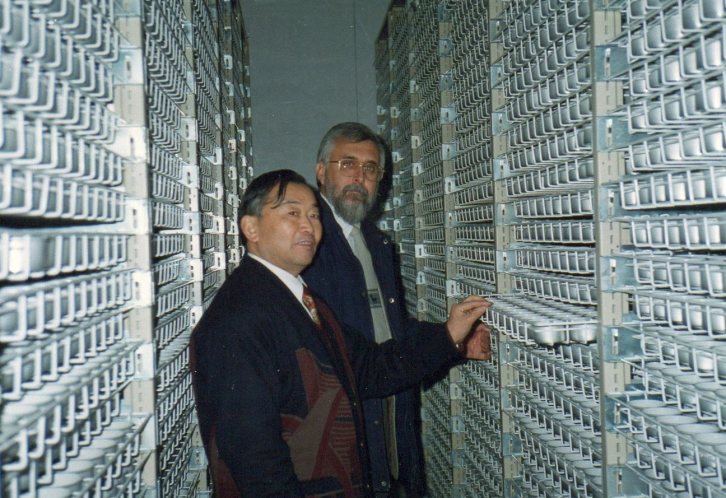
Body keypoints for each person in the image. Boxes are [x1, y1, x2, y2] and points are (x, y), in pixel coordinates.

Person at [189, 169, 490, 497]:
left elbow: (370, 368)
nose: (309, 226)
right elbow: (254, 461)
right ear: (251, 228)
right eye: (292, 213)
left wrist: (450, 335)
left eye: (314, 215)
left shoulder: (302, 300)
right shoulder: (239, 318)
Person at [302, 122, 491, 497]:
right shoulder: (310, 246)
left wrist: (457, 343)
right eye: (347, 164)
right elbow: (345, 359)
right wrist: (446, 339)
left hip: (388, 421)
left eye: (370, 168)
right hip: (342, 437)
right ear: (321, 171)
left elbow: (393, 332)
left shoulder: (374, 243)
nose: (359, 177)